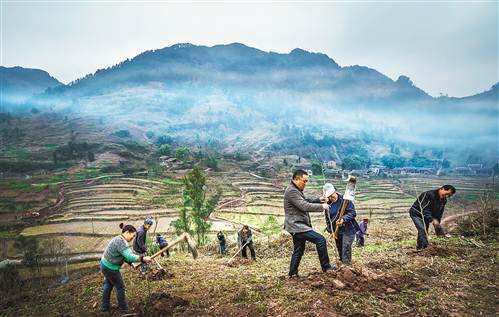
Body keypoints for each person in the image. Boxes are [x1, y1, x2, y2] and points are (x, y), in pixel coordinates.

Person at [284, 169, 334, 278]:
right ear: (297, 179)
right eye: (304, 181)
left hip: (297, 226)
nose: (305, 184)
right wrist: (322, 206)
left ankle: (292, 274)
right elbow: (304, 206)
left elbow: (305, 201)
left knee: (299, 249)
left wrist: (318, 200)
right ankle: (326, 267)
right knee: (320, 240)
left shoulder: (295, 190)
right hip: (297, 225)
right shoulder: (292, 191)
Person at [100, 223, 152, 312]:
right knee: (120, 287)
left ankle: (104, 306)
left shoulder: (119, 239)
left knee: (108, 284)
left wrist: (131, 263)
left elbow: (123, 255)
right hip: (110, 268)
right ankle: (123, 308)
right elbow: (129, 255)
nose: (133, 238)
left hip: (105, 265)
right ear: (127, 232)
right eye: (133, 235)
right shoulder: (121, 242)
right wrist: (142, 259)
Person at [409, 185, 456, 250]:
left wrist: (437, 222)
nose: (447, 196)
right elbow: (424, 208)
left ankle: (420, 247)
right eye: (447, 193)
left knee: (425, 230)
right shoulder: (428, 194)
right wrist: (432, 219)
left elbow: (439, 212)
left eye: (449, 195)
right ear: (442, 189)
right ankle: (424, 248)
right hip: (417, 214)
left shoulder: (444, 200)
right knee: (422, 230)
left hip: (427, 216)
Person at [324, 183, 359, 265]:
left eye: (331, 195)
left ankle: (346, 266)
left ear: (334, 191)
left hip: (348, 229)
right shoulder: (328, 205)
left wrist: (343, 219)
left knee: (346, 247)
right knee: (339, 248)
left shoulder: (345, 200)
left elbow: (352, 213)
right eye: (328, 196)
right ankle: (342, 265)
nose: (330, 198)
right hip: (336, 231)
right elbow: (328, 219)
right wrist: (330, 230)